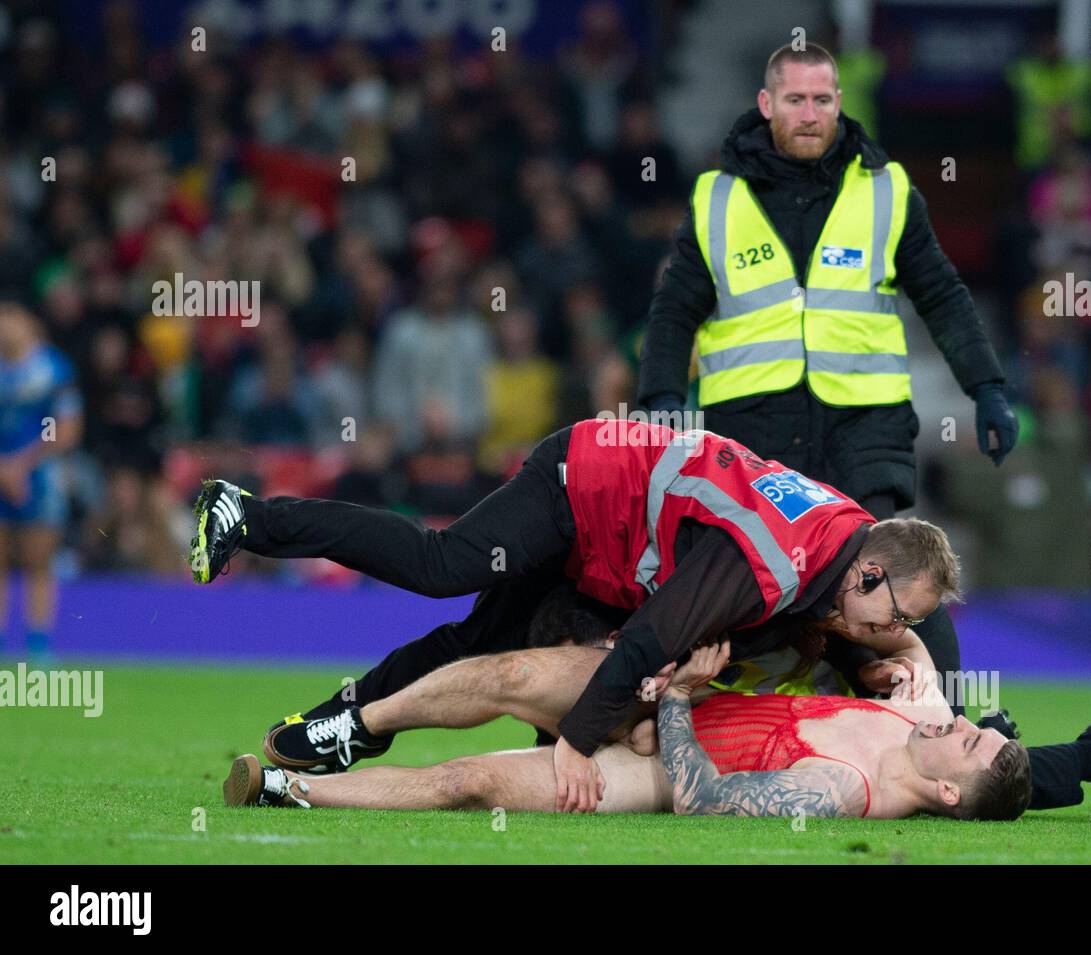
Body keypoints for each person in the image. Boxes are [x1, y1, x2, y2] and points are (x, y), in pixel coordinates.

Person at [191, 417, 960, 812]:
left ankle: (331, 729)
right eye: (896, 617)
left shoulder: (854, 539)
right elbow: (655, 635)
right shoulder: (774, 558)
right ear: (866, 572)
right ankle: (249, 514)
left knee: (477, 641)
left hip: (619, 546)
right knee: (444, 566)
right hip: (581, 487)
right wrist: (577, 745)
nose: (896, 629)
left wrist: (893, 664)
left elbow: (840, 617)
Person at [635, 42, 1020, 723]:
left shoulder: (887, 189)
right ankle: (679, 718)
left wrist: (986, 385)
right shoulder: (715, 197)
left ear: (840, 102)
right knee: (742, 580)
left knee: (886, 571)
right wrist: (663, 398)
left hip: (862, 426)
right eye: (795, 99)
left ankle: (962, 724)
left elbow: (943, 295)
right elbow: (674, 309)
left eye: (821, 99)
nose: (809, 114)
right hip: (750, 435)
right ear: (766, 104)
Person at [224, 641, 1035, 821]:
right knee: (511, 677)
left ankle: (291, 789)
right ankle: (357, 721)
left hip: (651, 765)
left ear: (946, 789)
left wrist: (678, 699)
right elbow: (913, 645)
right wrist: (914, 655)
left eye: (968, 741)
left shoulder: (840, 789)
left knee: (467, 781)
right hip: (666, 703)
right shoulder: (922, 714)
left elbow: (699, 799)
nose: (962, 723)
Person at [0, 302, 83, 660]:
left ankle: (38, 645)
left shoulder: (53, 370)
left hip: (40, 476)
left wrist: (20, 465)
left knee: (38, 560)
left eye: (9, 316)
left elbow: (65, 428)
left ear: (27, 322)